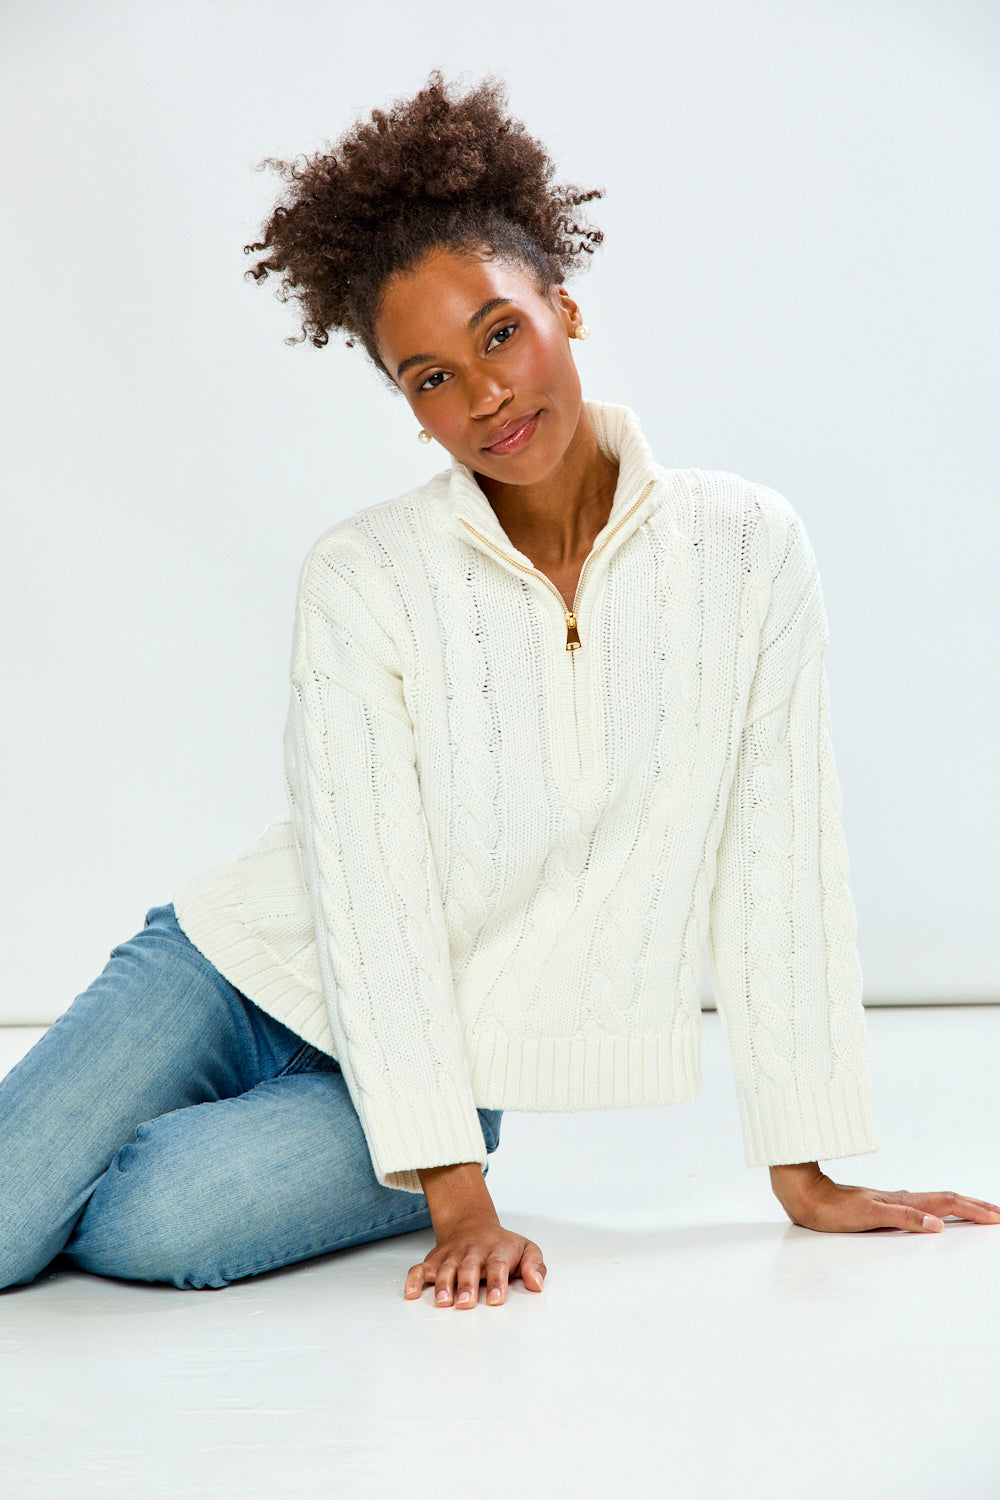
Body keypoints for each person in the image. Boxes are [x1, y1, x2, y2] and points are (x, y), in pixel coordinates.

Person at [2, 72, 998, 1309]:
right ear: (406, 407)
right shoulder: (366, 574)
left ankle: (130, 1160)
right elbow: (367, 883)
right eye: (427, 378)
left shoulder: (747, 547)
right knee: (2, 1225)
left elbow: (778, 860)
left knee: (159, 1226)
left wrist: (806, 1173)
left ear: (562, 307)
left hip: (429, 1059)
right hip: (232, 969)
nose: (482, 396)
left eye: (498, 333)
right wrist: (457, 1200)